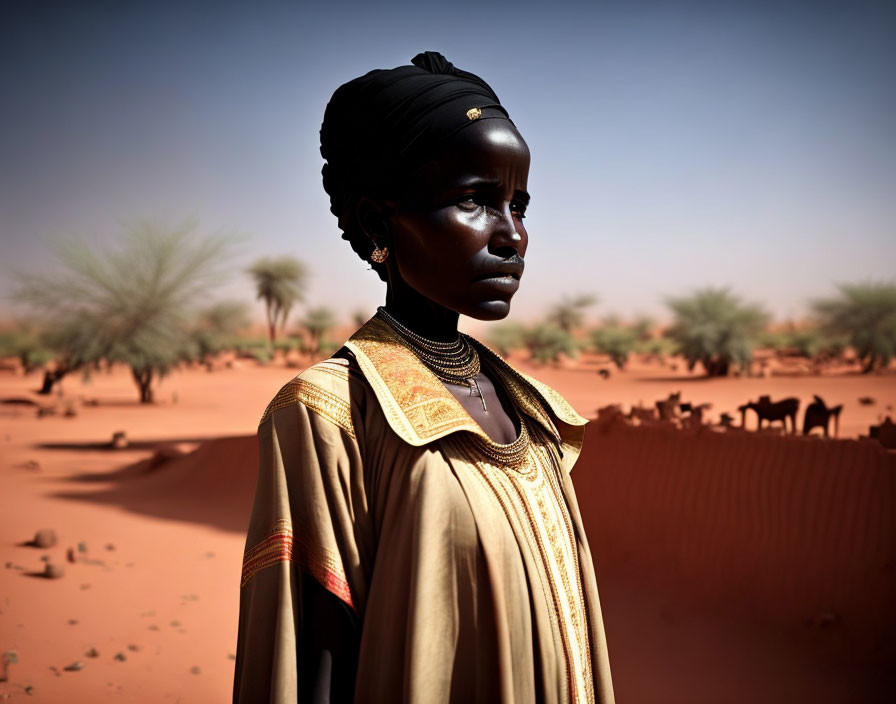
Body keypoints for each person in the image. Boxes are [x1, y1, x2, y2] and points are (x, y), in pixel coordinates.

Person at [233, 51, 615, 703]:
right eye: (475, 200)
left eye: (519, 205)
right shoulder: (329, 414)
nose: (513, 236)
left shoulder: (535, 412)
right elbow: (309, 665)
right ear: (380, 224)